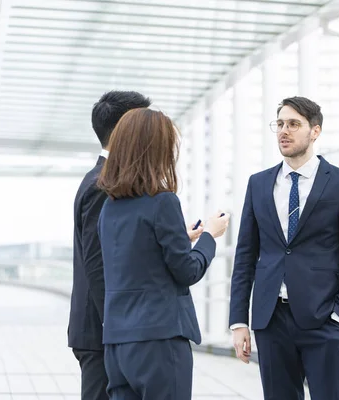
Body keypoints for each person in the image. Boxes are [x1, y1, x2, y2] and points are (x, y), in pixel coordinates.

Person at [229, 96, 339, 400]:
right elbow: (245, 257)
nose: (284, 131)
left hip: (322, 318)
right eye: (280, 124)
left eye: (294, 124)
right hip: (270, 320)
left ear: (315, 131)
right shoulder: (258, 184)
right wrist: (239, 320)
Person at [96, 108, 230, 399]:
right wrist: (209, 236)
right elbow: (187, 270)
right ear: (155, 149)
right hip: (158, 339)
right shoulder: (163, 202)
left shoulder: (110, 207)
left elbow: (137, 256)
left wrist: (182, 237)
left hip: (117, 342)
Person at [68, 90, 151, 400]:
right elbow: (97, 262)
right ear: (123, 130)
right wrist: (121, 328)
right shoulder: (103, 184)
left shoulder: (107, 179)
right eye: (143, 124)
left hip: (106, 329)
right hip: (103, 332)